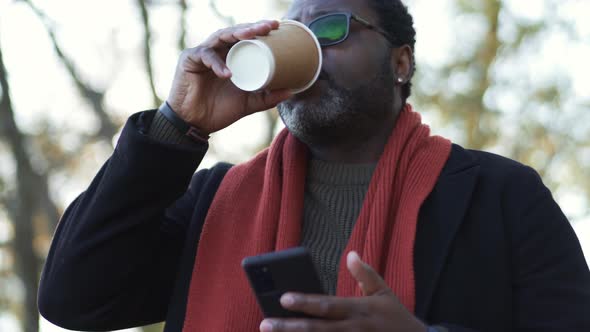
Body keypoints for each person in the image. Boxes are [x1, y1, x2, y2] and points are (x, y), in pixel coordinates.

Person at [38, 0, 590, 331]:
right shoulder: (214, 201)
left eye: (330, 29)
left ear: (401, 62)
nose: (306, 47)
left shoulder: (501, 195)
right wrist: (178, 124)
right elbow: (74, 296)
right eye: (288, 34)